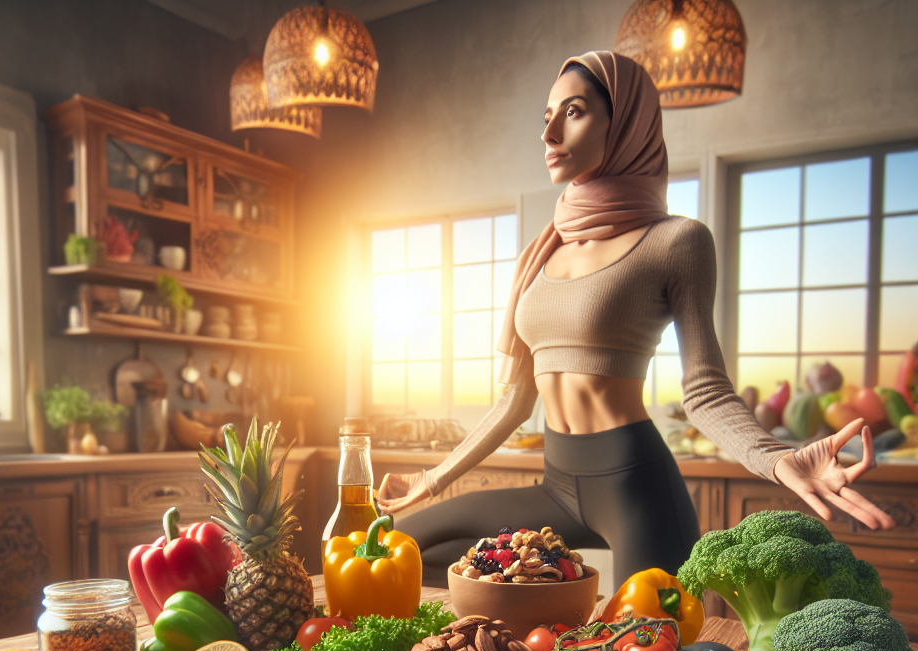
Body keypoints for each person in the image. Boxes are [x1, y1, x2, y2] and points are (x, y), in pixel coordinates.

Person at [378, 51, 894, 587]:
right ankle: (555, 601)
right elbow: (515, 401)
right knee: (404, 550)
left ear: (624, 124)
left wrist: (779, 460)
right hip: (556, 483)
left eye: (572, 112)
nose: (549, 132)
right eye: (546, 117)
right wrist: (432, 479)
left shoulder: (676, 241)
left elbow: (705, 393)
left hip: (635, 486)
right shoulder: (543, 251)